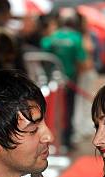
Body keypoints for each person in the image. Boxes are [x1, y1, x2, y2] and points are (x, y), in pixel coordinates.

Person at [41, 11, 87, 150]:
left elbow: (44, 49)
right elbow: (81, 61)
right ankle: (66, 140)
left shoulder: (52, 37)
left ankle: (50, 139)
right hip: (70, 80)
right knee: (68, 110)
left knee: (51, 110)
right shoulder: (76, 37)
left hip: (53, 81)